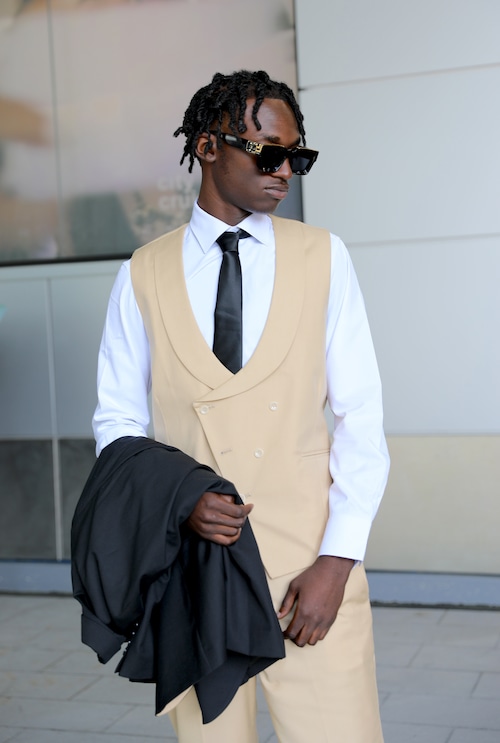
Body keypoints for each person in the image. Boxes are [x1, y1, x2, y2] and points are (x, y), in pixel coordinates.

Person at [92, 69, 390, 743]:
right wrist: (178, 500)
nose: (284, 171)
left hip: (310, 572)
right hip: (196, 574)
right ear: (207, 147)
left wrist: (338, 561)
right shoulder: (141, 274)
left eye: (297, 157)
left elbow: (362, 418)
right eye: (267, 153)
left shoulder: (324, 257)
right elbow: (117, 423)